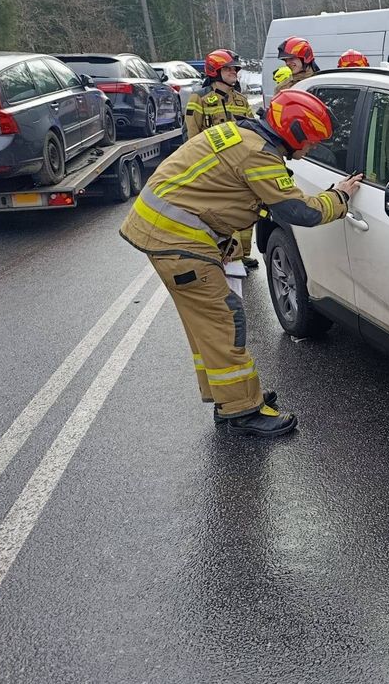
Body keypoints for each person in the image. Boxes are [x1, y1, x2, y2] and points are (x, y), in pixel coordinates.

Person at [119, 89, 364, 437]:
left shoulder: (240, 134)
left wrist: (222, 238)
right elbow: (302, 211)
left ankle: (228, 398)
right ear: (292, 132)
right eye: (309, 142)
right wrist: (340, 196)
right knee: (223, 322)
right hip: (176, 239)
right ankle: (244, 411)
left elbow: (211, 189)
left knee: (208, 326)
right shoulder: (258, 155)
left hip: (166, 231)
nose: (309, 150)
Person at [185, 49, 259, 269]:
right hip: (214, 168)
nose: (234, 72)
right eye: (228, 69)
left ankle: (242, 254)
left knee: (245, 210)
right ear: (215, 71)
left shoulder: (241, 100)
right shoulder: (199, 99)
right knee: (217, 214)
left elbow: (252, 130)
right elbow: (192, 136)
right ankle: (222, 254)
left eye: (235, 68)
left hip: (240, 166)